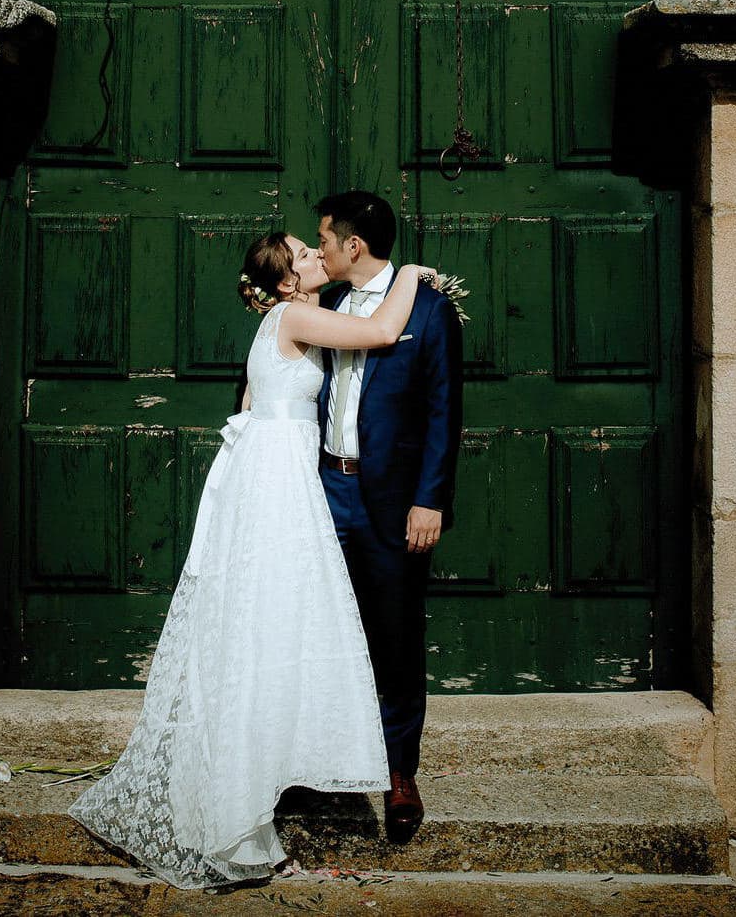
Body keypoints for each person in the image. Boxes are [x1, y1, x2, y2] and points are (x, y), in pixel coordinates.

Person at [70, 231, 435, 888]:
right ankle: (237, 806)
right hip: (281, 480)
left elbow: (248, 404)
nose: (316, 257)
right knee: (273, 624)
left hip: (271, 472)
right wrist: (408, 273)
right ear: (289, 282)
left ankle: (254, 772)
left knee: (265, 624)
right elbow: (382, 333)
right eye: (303, 255)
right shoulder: (295, 315)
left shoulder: (278, 320)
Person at [314, 189, 464, 842]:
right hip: (322, 488)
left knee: (396, 637)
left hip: (393, 502)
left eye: (324, 238)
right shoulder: (322, 304)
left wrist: (430, 498)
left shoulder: (430, 315)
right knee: (317, 630)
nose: (318, 248)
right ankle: (315, 764)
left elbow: (443, 413)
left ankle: (400, 775)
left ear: (353, 245)